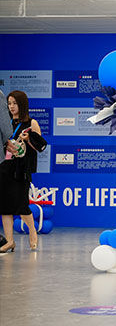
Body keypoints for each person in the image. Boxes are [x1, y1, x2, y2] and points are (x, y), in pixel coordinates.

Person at [1, 91, 46, 253]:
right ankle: (9, 241)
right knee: (4, 206)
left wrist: (28, 139)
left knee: (21, 205)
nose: (11, 107)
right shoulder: (5, 122)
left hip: (21, 169)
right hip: (5, 167)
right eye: (9, 103)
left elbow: (40, 146)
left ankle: (32, 231)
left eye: (15, 103)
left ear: (22, 104)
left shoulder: (31, 123)